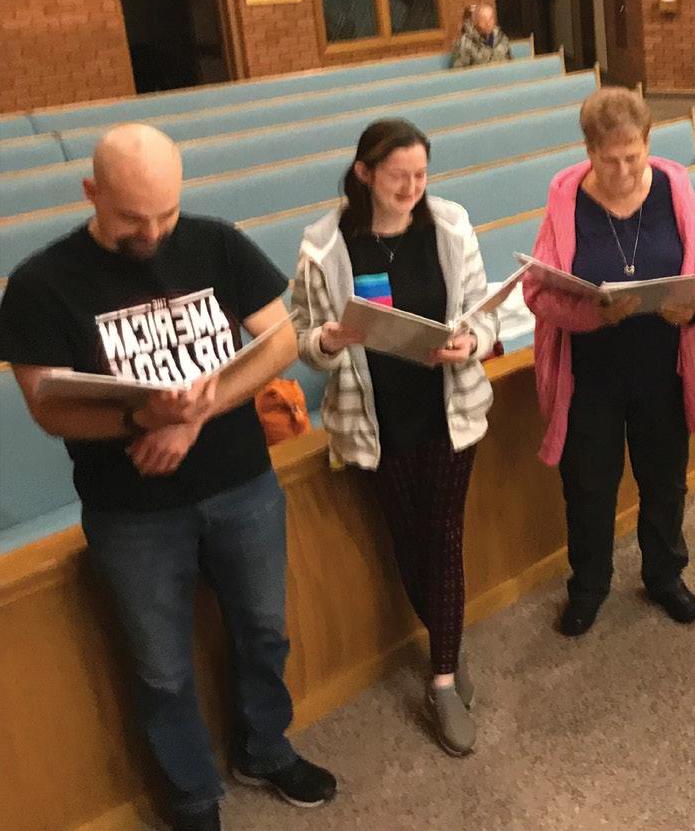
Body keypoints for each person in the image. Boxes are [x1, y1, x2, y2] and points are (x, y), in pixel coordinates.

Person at [0, 125, 337, 831]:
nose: (153, 233)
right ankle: (190, 794)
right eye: (132, 218)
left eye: (166, 214)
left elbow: (279, 341)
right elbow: (48, 408)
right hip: (131, 511)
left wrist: (192, 416)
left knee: (265, 629)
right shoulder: (40, 284)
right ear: (92, 193)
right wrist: (141, 421)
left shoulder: (215, 243)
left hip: (241, 483)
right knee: (161, 667)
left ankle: (265, 748)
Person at [289, 118, 498, 758]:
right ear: (364, 174)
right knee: (409, 541)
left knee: (443, 536)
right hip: (375, 421)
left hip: (447, 410)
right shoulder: (325, 248)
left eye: (421, 176)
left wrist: (472, 342)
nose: (412, 189)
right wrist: (327, 341)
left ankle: (441, 679)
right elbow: (301, 333)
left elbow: (483, 311)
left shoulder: (450, 227)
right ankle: (448, 638)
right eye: (398, 177)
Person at [524, 87, 695, 636]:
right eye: (609, 160)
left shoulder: (674, 186)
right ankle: (589, 586)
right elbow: (537, 291)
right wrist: (593, 314)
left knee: (665, 482)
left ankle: (664, 575)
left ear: (648, 143)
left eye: (633, 157)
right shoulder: (565, 198)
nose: (623, 171)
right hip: (589, 376)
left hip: (663, 369)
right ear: (589, 150)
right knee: (589, 488)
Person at [450, 3, 515, 67]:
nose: (488, 23)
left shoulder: (502, 38)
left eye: (491, 19)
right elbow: (459, 69)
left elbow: (510, 61)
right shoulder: (465, 43)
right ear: (475, 22)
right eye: (483, 19)